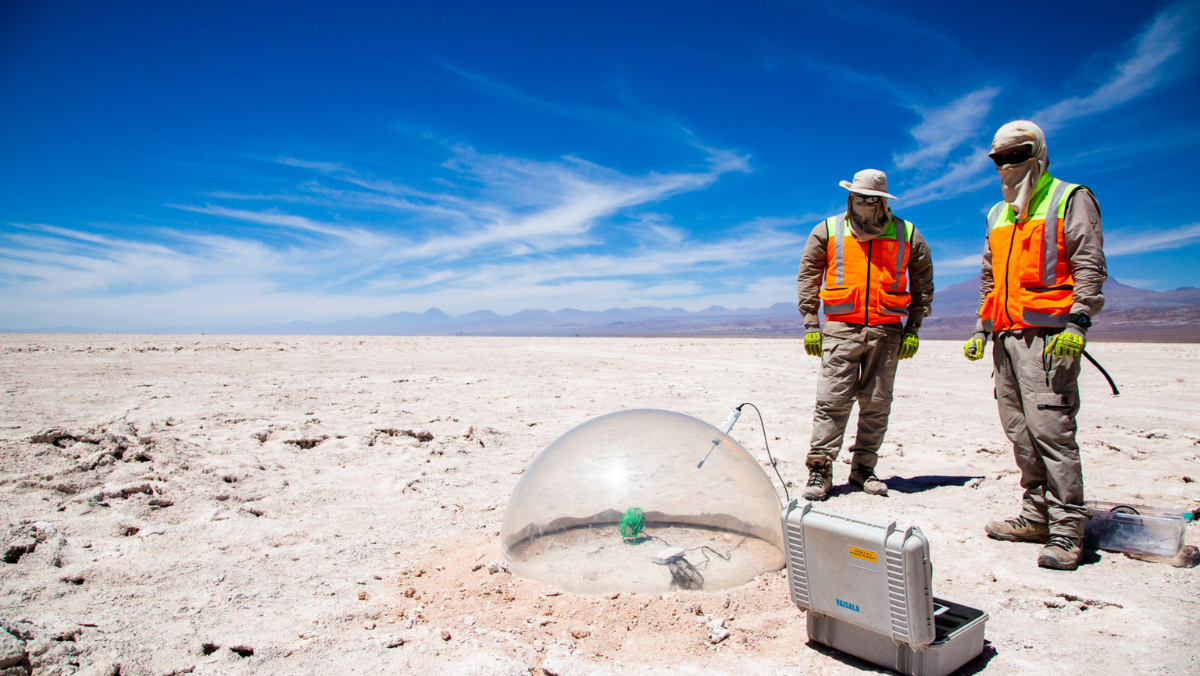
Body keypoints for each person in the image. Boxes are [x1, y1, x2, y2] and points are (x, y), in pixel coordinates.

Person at [964, 120, 1107, 571]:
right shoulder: (998, 213)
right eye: (998, 158)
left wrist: (1078, 321)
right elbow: (991, 277)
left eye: (1016, 154)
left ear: (1038, 151)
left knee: (1053, 434)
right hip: (1006, 339)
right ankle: (1037, 516)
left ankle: (1067, 532)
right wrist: (982, 328)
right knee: (1020, 433)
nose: (1007, 165)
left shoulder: (1069, 198)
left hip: (1050, 339)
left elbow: (1089, 262)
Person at [796, 169, 934, 501]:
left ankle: (863, 470)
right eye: (859, 197)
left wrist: (913, 327)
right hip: (841, 329)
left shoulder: (907, 233)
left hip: (888, 331)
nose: (865, 204)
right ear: (850, 197)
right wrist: (811, 322)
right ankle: (820, 469)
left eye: (872, 199)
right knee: (832, 402)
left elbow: (923, 282)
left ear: (883, 200)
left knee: (876, 404)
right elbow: (808, 274)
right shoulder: (828, 230)